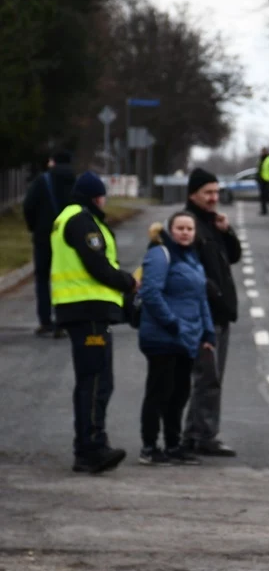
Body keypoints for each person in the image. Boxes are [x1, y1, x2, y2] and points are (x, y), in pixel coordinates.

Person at [51, 171, 136, 474]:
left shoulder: (70, 217)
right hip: (87, 312)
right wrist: (128, 282)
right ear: (94, 196)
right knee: (95, 380)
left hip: (83, 311)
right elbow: (98, 265)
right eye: (102, 195)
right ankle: (90, 448)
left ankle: (90, 445)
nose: (105, 201)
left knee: (95, 380)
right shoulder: (81, 220)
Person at [137, 212, 216, 466]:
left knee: (179, 394)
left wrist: (207, 332)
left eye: (189, 229)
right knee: (159, 392)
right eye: (180, 228)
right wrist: (172, 322)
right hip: (163, 337)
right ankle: (149, 447)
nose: (185, 232)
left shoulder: (193, 259)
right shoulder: (160, 254)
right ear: (170, 231)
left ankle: (173, 445)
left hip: (187, 339)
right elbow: (150, 292)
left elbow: (201, 298)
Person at [183, 167, 242, 456]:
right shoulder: (189, 225)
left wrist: (226, 230)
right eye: (208, 192)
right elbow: (188, 271)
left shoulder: (210, 223)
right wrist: (215, 297)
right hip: (203, 314)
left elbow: (233, 256)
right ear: (193, 194)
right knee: (206, 378)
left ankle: (198, 433)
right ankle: (199, 435)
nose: (213, 197)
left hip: (219, 313)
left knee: (211, 377)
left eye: (216, 192)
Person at [23, 150, 76, 337]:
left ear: (52, 162)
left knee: (43, 278)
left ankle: (46, 321)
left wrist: (34, 227)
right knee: (67, 277)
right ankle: (65, 319)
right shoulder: (76, 181)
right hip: (70, 238)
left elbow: (28, 205)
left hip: (44, 236)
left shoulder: (42, 181)